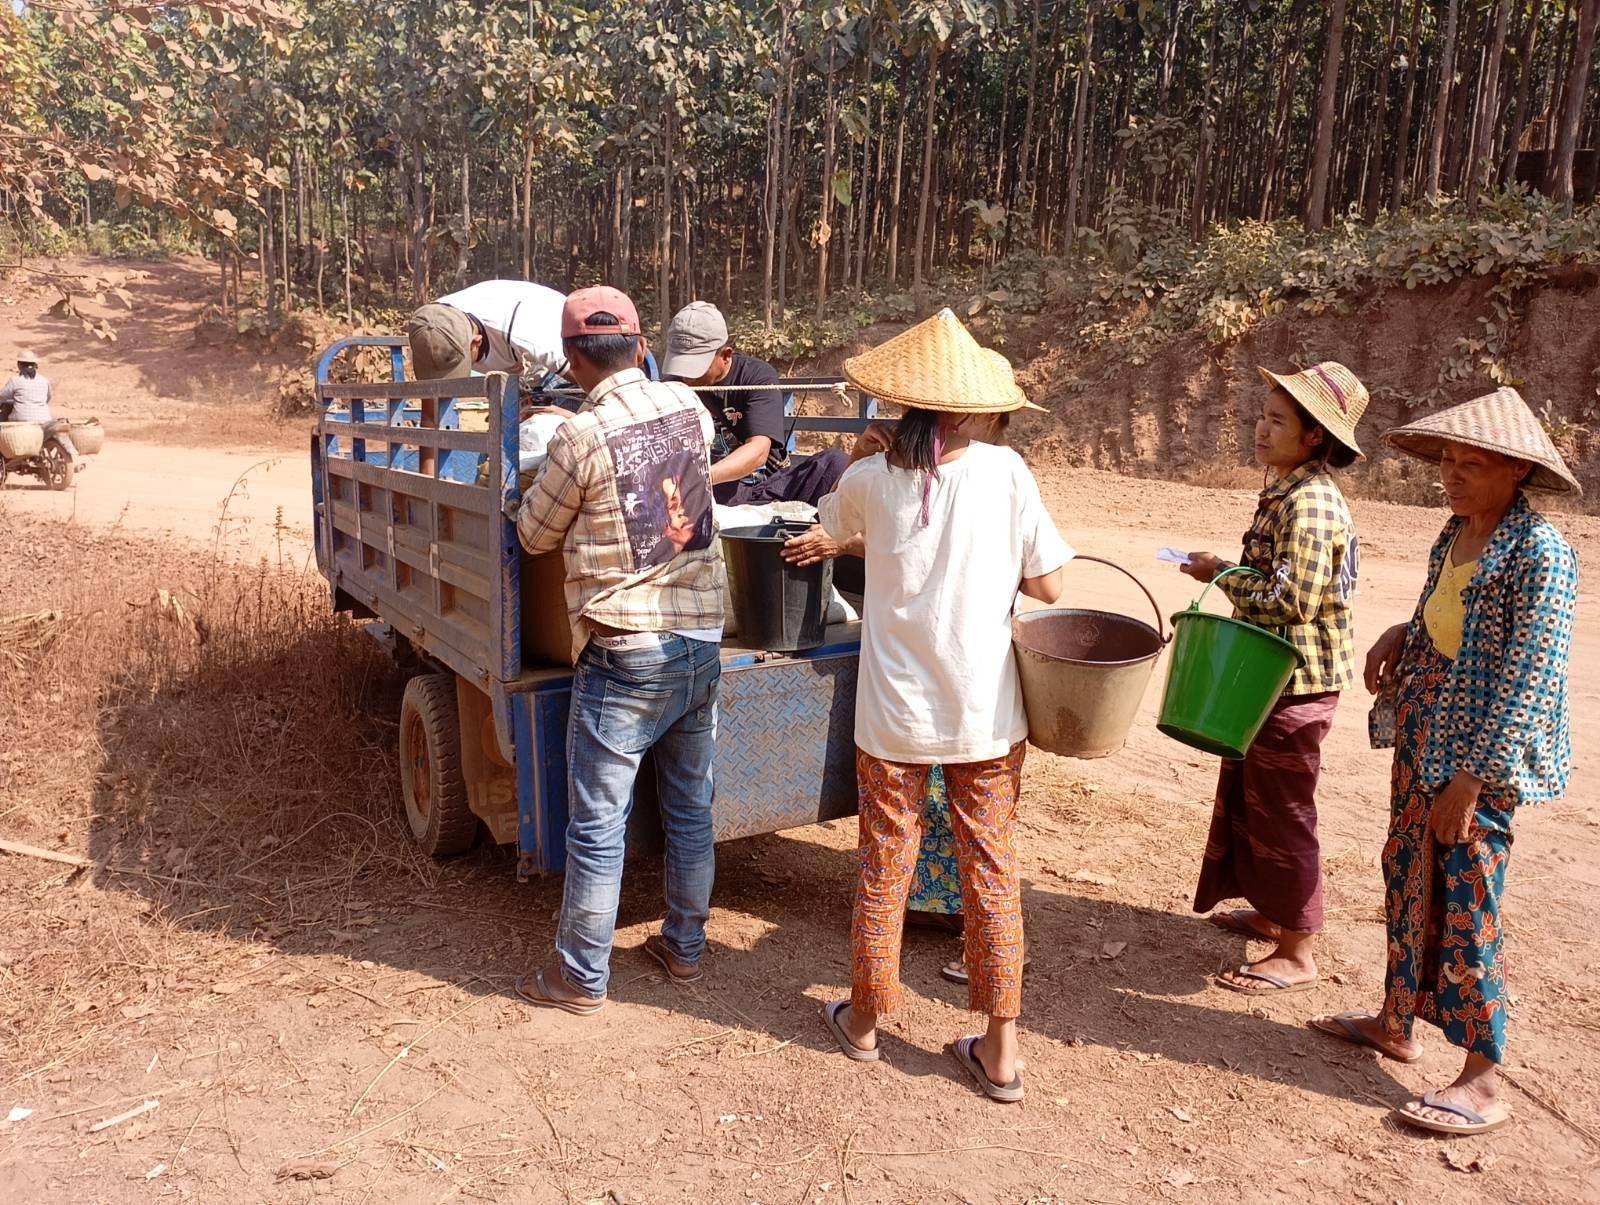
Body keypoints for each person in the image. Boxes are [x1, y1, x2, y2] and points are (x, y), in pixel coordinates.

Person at [815, 310, 1070, 1105]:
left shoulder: (868, 479)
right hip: (985, 717)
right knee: (990, 867)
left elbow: (835, 532)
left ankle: (862, 1019)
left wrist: (864, 472)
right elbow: (1051, 586)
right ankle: (1000, 1049)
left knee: (884, 861)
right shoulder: (1007, 473)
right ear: (965, 411)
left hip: (892, 716)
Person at [1311, 387, 1579, 1137]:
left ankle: (1482, 1079)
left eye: (1472, 464)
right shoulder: (1456, 530)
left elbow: (1531, 677)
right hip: (1424, 732)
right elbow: (1451, 608)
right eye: (1448, 461)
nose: (1452, 476)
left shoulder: (1541, 554)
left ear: (1516, 470)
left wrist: (1471, 780)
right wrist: (1406, 628)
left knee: (1468, 899)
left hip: (1477, 759)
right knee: (1407, 869)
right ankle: (1395, 1021)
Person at [508, 286, 726, 1015]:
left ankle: (579, 977)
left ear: (572, 360)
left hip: (625, 651)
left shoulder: (577, 437)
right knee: (691, 807)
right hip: (699, 642)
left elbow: (534, 536)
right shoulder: (689, 409)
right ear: (640, 346)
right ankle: (685, 948)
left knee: (599, 822)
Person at [1181, 362, 1367, 996]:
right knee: (1253, 799)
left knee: (1285, 812)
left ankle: (1298, 949)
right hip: (1267, 679)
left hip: (1297, 685)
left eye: (1277, 421)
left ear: (1315, 436)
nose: (1261, 429)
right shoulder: (1288, 490)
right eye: (1262, 415)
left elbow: (1293, 602)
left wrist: (1221, 574)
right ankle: (1272, 913)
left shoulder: (1311, 504)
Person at [661, 301, 847, 507]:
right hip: (708, 492)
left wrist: (700, 478)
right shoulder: (672, 384)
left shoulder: (756, 376)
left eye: (695, 367)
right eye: (681, 365)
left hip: (763, 486)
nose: (686, 376)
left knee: (834, 463)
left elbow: (758, 451)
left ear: (725, 355)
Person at [406, 280, 568, 383]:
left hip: (564, 359)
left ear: (476, 342)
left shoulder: (526, 332)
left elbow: (589, 383)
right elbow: (433, 403)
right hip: (516, 368)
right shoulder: (429, 331)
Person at [0, 350, 80, 465]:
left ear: (19, 365)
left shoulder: (15, 380)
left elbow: (2, 396)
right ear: (35, 365)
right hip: (44, 421)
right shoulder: (44, 380)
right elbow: (47, 398)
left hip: (22, 422)